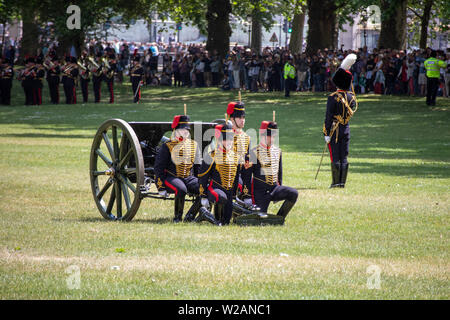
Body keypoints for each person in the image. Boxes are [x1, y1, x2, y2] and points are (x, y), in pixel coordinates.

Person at [154, 115, 203, 223]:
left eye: (187, 129)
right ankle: (177, 218)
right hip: (171, 177)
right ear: (176, 130)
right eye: (182, 129)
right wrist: (161, 186)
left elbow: (198, 167)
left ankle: (190, 216)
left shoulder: (194, 145)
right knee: (181, 189)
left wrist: (199, 181)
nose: (185, 131)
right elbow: (159, 168)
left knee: (204, 189)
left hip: (188, 177)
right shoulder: (167, 146)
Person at [246, 121, 298, 219]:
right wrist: (248, 197)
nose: (272, 139)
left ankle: (280, 218)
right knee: (260, 219)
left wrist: (280, 186)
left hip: (274, 189)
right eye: (269, 136)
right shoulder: (253, 153)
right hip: (260, 193)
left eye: (274, 136)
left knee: (293, 193)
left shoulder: (277, 151)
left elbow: (280, 173)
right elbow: (247, 178)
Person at [323, 53, 358, 188]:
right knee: (344, 156)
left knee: (335, 156)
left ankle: (335, 182)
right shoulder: (351, 97)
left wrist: (326, 132)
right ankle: (342, 182)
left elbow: (328, 116)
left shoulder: (333, 97)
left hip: (335, 129)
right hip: (346, 128)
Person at [196, 123, 240, 225]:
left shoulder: (235, 156)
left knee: (226, 222)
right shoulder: (211, 155)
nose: (228, 142)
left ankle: (207, 216)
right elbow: (202, 176)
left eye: (230, 139)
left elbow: (236, 177)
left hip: (228, 192)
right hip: (215, 189)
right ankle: (216, 219)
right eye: (225, 139)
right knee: (221, 197)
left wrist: (234, 194)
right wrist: (203, 195)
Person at [226, 101, 252, 202]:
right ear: (232, 119)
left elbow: (247, 162)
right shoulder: (225, 136)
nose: (243, 120)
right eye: (239, 118)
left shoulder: (246, 137)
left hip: (242, 174)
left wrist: (247, 192)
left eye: (243, 118)